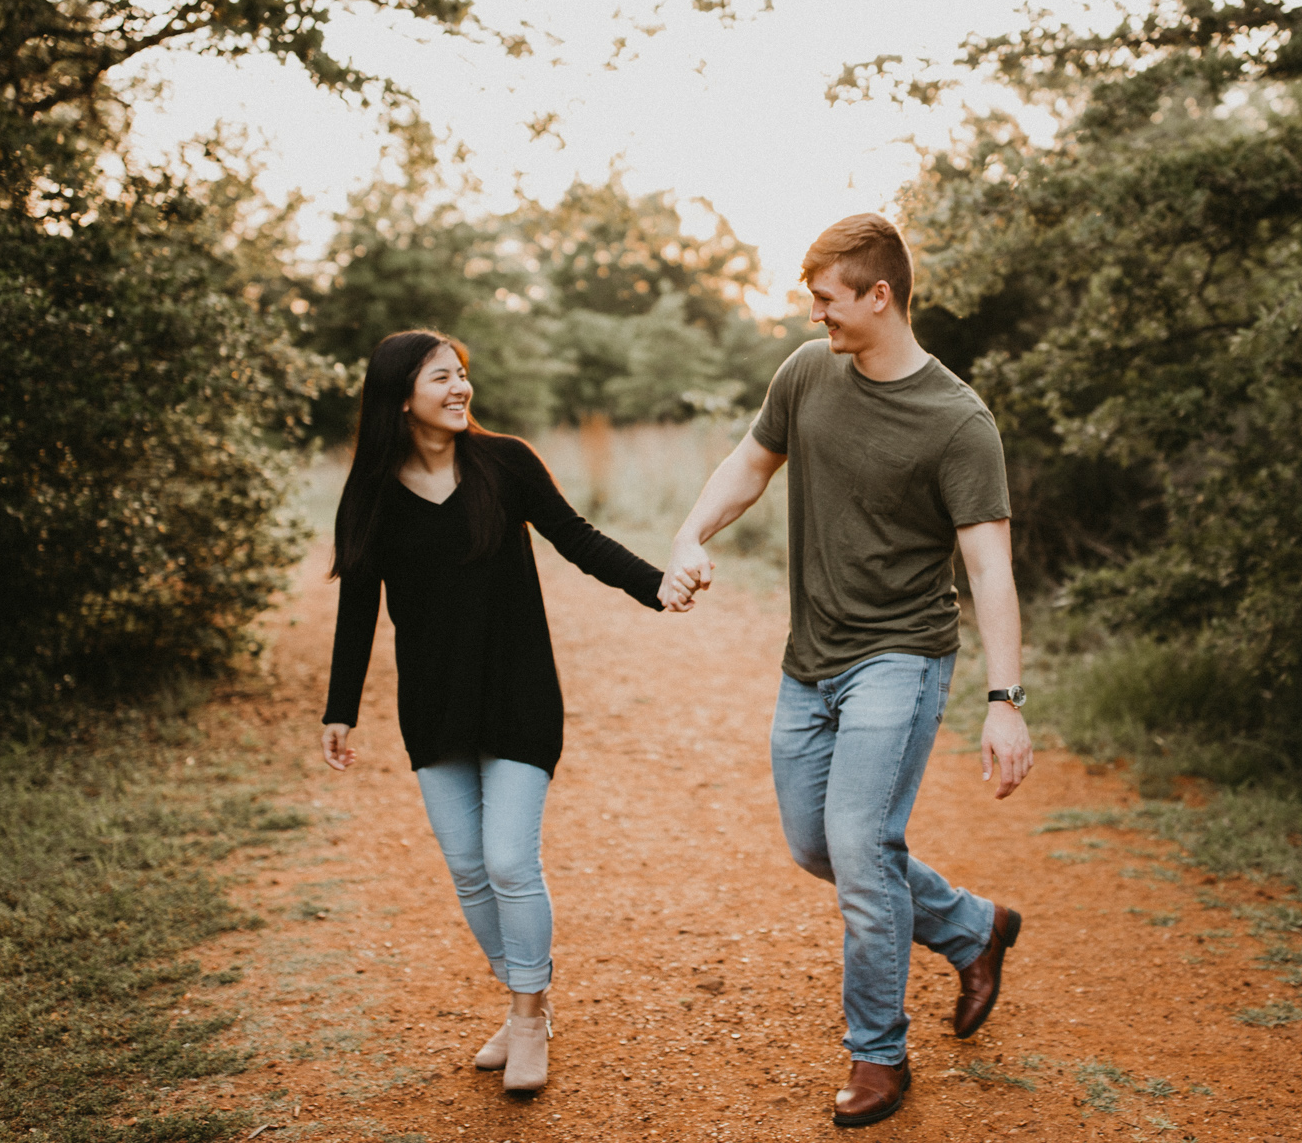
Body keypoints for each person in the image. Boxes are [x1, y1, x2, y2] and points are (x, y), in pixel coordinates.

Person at [661, 213, 1034, 1128]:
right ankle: (970, 926)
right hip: (809, 661)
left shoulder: (958, 421)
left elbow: (988, 567)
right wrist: (688, 534)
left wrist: (1005, 699)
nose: (815, 314)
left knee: (863, 856)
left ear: (881, 296)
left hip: (900, 659)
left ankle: (878, 1055)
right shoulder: (806, 373)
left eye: (828, 300)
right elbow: (751, 465)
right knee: (816, 843)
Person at [318, 329, 670, 1095]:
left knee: (509, 859)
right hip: (435, 704)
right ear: (399, 394)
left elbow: (577, 538)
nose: (459, 388)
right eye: (440, 376)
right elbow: (357, 609)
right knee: (469, 870)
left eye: (461, 375)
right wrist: (339, 708)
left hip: (518, 692)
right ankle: (520, 1008)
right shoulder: (371, 493)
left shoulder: (504, 463)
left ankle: (530, 1010)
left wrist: (657, 583)